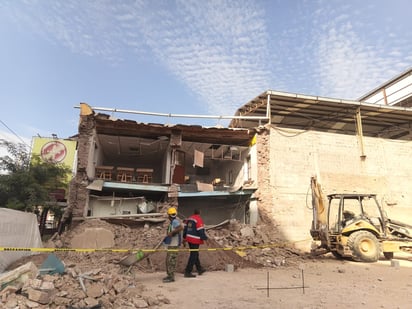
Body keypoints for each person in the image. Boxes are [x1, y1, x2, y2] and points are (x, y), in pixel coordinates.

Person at [183, 209, 208, 278]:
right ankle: (187, 271)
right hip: (195, 239)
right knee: (193, 255)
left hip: (189, 239)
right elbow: (200, 230)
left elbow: (185, 229)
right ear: (200, 212)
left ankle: (199, 269)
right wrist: (205, 238)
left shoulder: (189, 218)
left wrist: (184, 237)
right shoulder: (198, 219)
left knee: (195, 253)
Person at [163, 207, 183, 283]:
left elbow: (180, 227)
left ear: (169, 215)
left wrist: (172, 233)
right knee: (168, 260)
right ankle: (169, 275)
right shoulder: (173, 222)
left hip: (174, 245)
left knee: (171, 261)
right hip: (171, 244)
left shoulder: (175, 222)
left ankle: (171, 277)